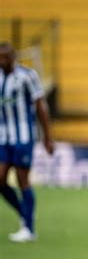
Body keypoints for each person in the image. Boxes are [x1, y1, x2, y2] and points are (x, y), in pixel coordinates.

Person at [0, 42, 54, 242]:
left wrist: (47, 136)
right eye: (0, 57)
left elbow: (40, 105)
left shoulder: (26, 76)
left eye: (5, 57)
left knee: (22, 179)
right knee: (1, 179)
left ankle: (29, 229)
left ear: (13, 57)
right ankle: (26, 212)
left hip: (23, 136)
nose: (2, 61)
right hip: (3, 137)